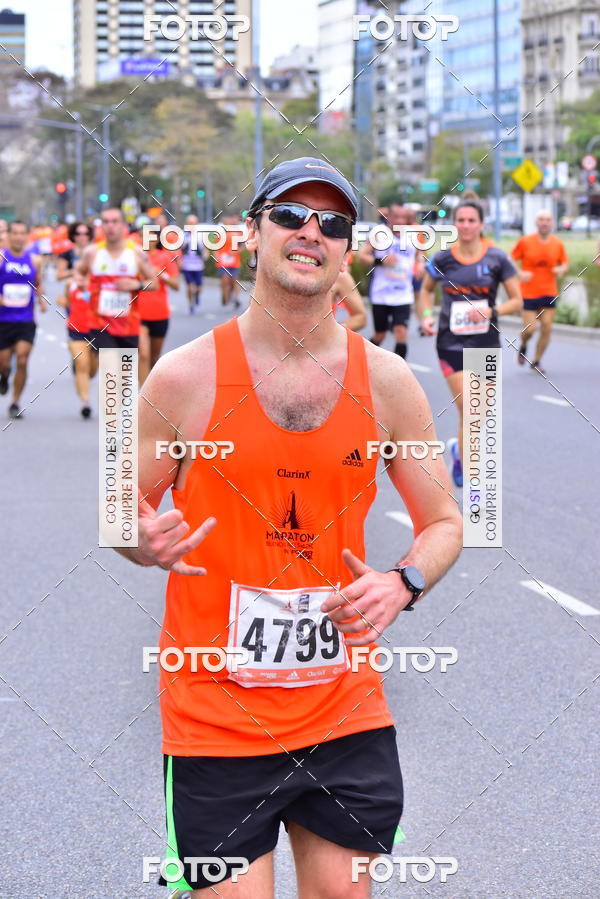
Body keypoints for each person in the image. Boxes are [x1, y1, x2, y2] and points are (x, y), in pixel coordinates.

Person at [117, 157, 462, 896]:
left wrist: (403, 583)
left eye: (333, 223)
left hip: (345, 708)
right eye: (290, 215)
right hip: (216, 716)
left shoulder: (389, 383)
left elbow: (442, 522)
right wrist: (140, 540)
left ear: (348, 252)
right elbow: (120, 506)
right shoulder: (184, 377)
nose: (311, 232)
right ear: (253, 233)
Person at [416, 198, 522, 487]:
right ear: (454, 224)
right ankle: (472, 472)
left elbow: (517, 300)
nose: (465, 225)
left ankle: (458, 454)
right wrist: (425, 316)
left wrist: (493, 311)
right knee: (470, 407)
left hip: (486, 342)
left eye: (471, 220)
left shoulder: (497, 259)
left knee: (480, 412)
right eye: (460, 220)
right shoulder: (442, 259)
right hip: (450, 344)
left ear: (481, 224)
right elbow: (424, 292)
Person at [77, 207, 157, 351]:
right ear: (101, 226)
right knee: (112, 368)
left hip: (128, 326)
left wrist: (136, 284)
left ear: (124, 225)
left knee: (125, 373)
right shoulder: (92, 253)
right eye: (106, 222)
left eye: (115, 221)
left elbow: (154, 283)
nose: (110, 226)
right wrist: (81, 282)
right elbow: (79, 271)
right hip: (100, 325)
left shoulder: (136, 253)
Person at [511, 210, 569, 375]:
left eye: (548, 220)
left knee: (547, 328)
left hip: (549, 292)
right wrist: (519, 273)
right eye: (541, 219)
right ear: (536, 223)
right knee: (530, 329)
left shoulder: (557, 243)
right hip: (528, 293)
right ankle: (523, 345)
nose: (544, 222)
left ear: (552, 223)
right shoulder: (525, 241)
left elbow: (565, 263)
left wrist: (561, 269)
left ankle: (536, 361)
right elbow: (510, 258)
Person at [0, 221, 46, 418]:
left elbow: (38, 283)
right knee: (4, 364)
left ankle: (15, 402)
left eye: (22, 233)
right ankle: (4, 376)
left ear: (27, 236)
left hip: (26, 319)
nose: (18, 237)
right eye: (15, 233)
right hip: (3, 319)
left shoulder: (34, 260)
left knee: (22, 358)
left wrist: (41, 300)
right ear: (9, 235)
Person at [358, 204, 417, 358]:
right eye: (396, 217)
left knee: (401, 332)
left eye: (402, 217)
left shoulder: (412, 236)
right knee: (380, 335)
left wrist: (422, 266)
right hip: (381, 293)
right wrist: (381, 260)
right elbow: (362, 257)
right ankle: (362, 360)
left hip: (403, 293)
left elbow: (420, 258)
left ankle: (399, 373)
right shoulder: (379, 234)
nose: (399, 220)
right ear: (389, 218)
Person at [138, 226, 180, 384]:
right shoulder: (135, 258)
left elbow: (176, 285)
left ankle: (150, 388)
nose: (145, 239)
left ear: (156, 239)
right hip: (138, 314)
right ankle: (142, 394)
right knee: (143, 353)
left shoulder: (165, 258)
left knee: (154, 357)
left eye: (149, 236)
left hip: (159, 314)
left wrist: (162, 274)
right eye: (142, 235)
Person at [56, 269, 98, 418]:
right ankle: (86, 403)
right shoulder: (70, 284)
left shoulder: (100, 284)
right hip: (76, 331)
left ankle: (79, 368)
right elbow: (69, 303)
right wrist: (63, 302)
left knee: (92, 371)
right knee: (82, 364)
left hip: (98, 331)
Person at [215, 212, 243, 309]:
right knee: (225, 280)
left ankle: (236, 299)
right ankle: (224, 295)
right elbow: (215, 247)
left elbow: (243, 246)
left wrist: (236, 252)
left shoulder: (238, 232)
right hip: (223, 262)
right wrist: (217, 257)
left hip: (234, 261)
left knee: (234, 281)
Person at [180, 214, 206, 313]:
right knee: (190, 287)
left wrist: (204, 255)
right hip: (187, 265)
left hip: (198, 265)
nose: (192, 225)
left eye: (194, 223)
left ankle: (197, 296)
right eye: (190, 223)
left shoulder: (200, 235)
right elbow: (179, 249)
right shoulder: (183, 235)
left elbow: (206, 249)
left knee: (199, 288)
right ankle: (191, 305)